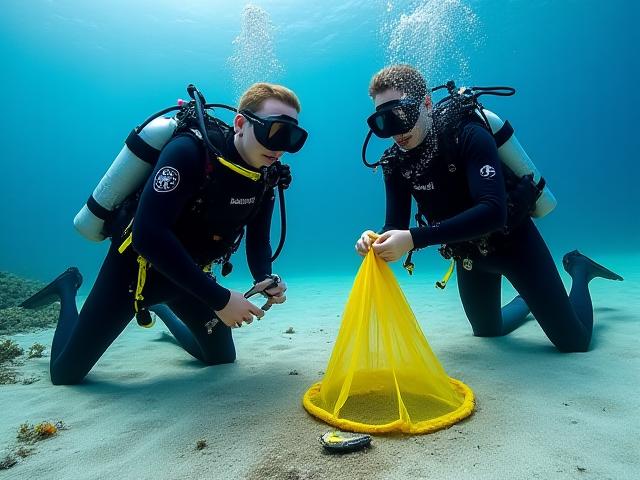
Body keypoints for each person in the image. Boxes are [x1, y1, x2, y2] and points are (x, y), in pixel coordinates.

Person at [21, 82, 308, 384]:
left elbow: (259, 240)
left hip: (188, 279)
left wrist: (264, 276)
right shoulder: (189, 152)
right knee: (65, 374)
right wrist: (220, 299)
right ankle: (67, 289)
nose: (280, 148)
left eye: (293, 138)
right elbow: (148, 234)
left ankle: (162, 305)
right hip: (131, 277)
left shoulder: (265, 178)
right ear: (240, 123)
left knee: (221, 357)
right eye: (275, 131)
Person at [355, 64, 622, 352]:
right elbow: (394, 224)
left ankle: (579, 269)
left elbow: (494, 211)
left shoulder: (467, 133)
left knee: (575, 342)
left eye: (401, 114)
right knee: (486, 331)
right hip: (468, 255)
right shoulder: (395, 163)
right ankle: (529, 299)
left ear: (426, 104)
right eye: (384, 122)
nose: (396, 132)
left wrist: (414, 238)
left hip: (514, 245)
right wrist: (375, 237)